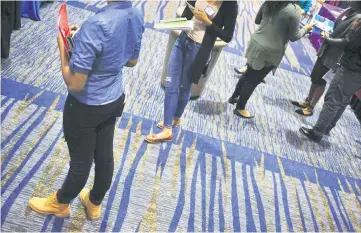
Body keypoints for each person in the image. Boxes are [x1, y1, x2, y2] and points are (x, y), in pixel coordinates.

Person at [28, 1, 144, 219]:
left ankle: (61, 204)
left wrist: (63, 47)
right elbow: (131, 60)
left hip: (86, 106)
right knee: (104, 156)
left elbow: (75, 83)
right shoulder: (136, 14)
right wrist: (81, 39)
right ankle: (94, 202)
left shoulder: (97, 24)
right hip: (114, 99)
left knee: (80, 163)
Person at [145, 0, 238, 143]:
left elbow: (227, 35)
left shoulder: (230, 4)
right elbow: (186, 12)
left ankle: (175, 118)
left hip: (198, 48)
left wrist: (207, 21)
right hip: (183, 39)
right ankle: (167, 128)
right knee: (171, 84)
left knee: (184, 86)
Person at [229, 1, 316, 118]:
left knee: (248, 73)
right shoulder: (294, 10)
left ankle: (234, 97)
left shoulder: (269, 2)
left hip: (256, 43)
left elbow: (257, 21)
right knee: (253, 81)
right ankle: (240, 108)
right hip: (270, 51)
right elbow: (294, 36)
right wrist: (306, 28)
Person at [291, 1, 361, 116]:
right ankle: (307, 101)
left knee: (320, 80)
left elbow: (347, 42)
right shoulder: (350, 11)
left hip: (335, 55)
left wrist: (328, 39)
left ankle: (311, 107)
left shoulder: (358, 18)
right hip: (328, 49)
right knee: (315, 76)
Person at [300, 17, 361, 143]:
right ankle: (327, 128)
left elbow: (348, 43)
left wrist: (353, 29)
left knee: (333, 99)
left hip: (352, 69)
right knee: (343, 100)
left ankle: (317, 132)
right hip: (355, 70)